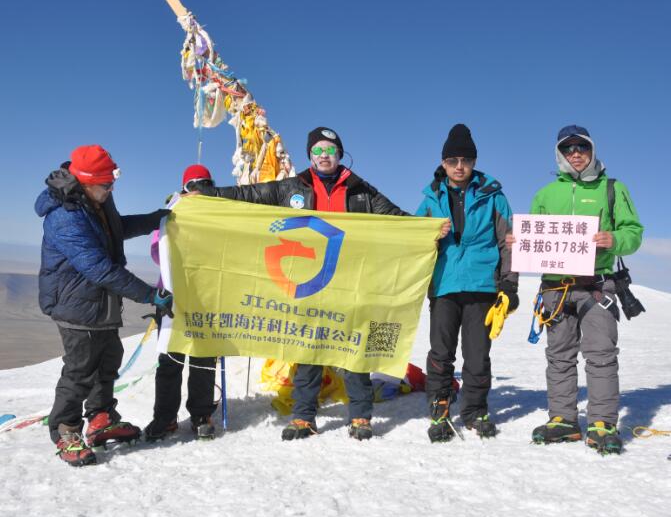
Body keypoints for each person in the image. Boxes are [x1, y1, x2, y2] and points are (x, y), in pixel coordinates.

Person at [198, 126, 419, 441]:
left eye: (330, 150)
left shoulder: (361, 191)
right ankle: (303, 417)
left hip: (351, 282)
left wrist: (429, 229)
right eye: (317, 150)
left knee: (353, 349)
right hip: (309, 282)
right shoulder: (294, 187)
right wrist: (207, 195)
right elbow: (249, 196)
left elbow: (397, 218)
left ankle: (360, 416)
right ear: (310, 156)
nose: (324, 155)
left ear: (339, 154)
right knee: (308, 350)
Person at [35, 145, 173, 466]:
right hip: (75, 303)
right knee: (80, 370)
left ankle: (100, 419)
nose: (111, 189)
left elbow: (115, 229)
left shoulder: (96, 198)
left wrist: (155, 219)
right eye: (106, 184)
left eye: (113, 183)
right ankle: (66, 431)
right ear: (86, 182)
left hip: (100, 302)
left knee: (109, 358)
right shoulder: (65, 215)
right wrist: (149, 294)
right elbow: (99, 269)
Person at [512, 125, 643, 454]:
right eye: (567, 148)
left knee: (600, 356)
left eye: (581, 147)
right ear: (559, 154)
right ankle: (563, 420)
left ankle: (602, 423)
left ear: (592, 150)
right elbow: (535, 239)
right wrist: (520, 241)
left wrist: (615, 239)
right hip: (555, 289)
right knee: (559, 356)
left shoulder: (613, 189)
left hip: (596, 286)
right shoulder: (545, 194)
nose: (575, 154)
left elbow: (633, 232)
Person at [416, 124, 518, 442]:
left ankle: (475, 411)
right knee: (441, 352)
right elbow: (414, 242)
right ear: (443, 162)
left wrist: (509, 285)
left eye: (466, 160)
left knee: (477, 355)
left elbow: (508, 243)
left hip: (482, 287)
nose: (459, 166)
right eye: (453, 160)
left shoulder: (494, 196)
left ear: (474, 162)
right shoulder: (430, 199)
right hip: (444, 286)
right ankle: (439, 409)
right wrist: (432, 235)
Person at [144, 164, 218, 442]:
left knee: (203, 358)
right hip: (172, 296)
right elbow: (157, 252)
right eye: (193, 184)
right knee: (170, 359)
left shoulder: (221, 214)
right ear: (184, 187)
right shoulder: (171, 211)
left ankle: (201, 414)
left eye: (205, 184)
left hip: (207, 296)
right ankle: (165, 418)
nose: (199, 190)